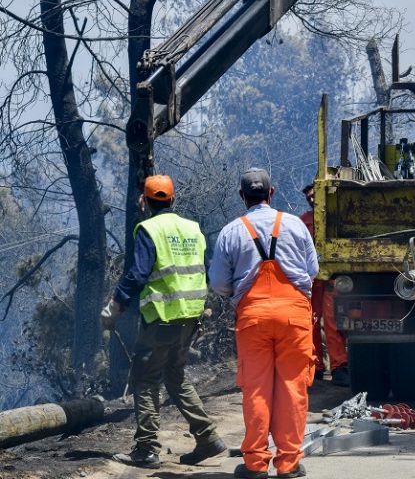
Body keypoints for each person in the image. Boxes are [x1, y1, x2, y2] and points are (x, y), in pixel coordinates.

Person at [100, 174, 226, 469]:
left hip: (162, 318)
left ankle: (146, 449)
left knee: (144, 379)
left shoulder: (148, 229)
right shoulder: (193, 229)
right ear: (173, 200)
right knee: (175, 376)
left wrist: (115, 305)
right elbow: (204, 271)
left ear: (143, 202)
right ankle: (207, 437)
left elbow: (138, 274)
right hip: (190, 317)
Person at [209, 168, 318, 479]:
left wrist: (238, 291)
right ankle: (289, 463)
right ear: (272, 193)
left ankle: (256, 464)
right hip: (294, 316)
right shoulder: (296, 225)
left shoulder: (231, 231)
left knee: (256, 389)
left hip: (253, 317)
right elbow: (312, 269)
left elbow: (218, 283)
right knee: (292, 388)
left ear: (243, 197)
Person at [299, 182, 349, 387]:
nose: (311, 199)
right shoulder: (302, 222)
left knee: (332, 322)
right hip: (312, 279)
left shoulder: (336, 216)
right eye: (308, 197)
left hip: (331, 277)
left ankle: (339, 367)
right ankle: (315, 367)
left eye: (314, 195)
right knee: (309, 322)